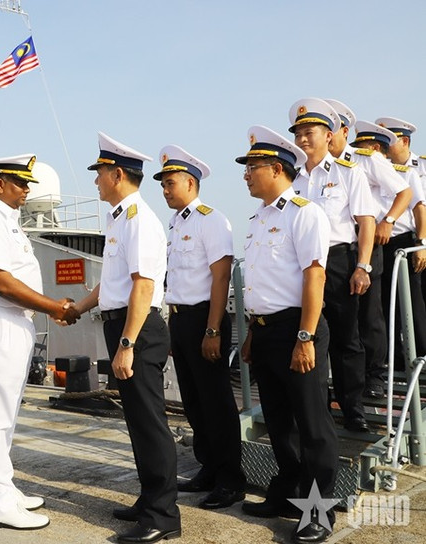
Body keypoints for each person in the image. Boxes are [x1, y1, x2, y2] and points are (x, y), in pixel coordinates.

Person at [0, 153, 79, 531]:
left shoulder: (6, 220)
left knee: (6, 416)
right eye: (20, 182)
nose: (27, 189)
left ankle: (4, 488)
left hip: (12, 322)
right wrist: (53, 307)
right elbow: (1, 282)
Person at [71, 133, 180, 543]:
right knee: (137, 421)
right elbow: (112, 283)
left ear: (117, 174)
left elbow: (143, 287)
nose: (95, 181)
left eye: (99, 173)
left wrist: (128, 344)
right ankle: (149, 498)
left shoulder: (140, 221)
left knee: (151, 423)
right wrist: (79, 308)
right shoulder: (118, 218)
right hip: (122, 325)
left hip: (139, 330)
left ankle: (163, 517)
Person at [236, 126, 338, 544]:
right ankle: (287, 492)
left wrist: (305, 336)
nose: (245, 175)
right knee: (279, 422)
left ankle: (317, 512)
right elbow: (261, 284)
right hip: (264, 332)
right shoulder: (259, 219)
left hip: (298, 329)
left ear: (276, 168)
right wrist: (250, 335)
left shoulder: (305, 212)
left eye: (252, 168)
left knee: (313, 425)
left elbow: (315, 276)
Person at [155, 145, 245, 509]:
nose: (164, 190)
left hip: (205, 317)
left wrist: (212, 330)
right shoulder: (177, 223)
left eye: (169, 183)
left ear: (190, 183)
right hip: (180, 318)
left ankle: (230, 479)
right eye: (162, 184)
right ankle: (209, 468)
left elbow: (220, 276)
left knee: (217, 402)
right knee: (193, 401)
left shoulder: (212, 220)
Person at [288, 98, 376, 433]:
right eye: (299, 134)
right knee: (307, 333)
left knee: (346, 337)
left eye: (309, 132)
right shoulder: (292, 179)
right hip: (301, 266)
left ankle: (352, 407)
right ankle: (316, 406)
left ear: (328, 135)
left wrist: (363, 267)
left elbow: (366, 222)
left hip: (338, 260)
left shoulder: (348, 173)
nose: (303, 140)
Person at [325, 100, 412, 400]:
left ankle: (374, 375)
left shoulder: (366, 159)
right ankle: (347, 380)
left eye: (330, 131)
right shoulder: (318, 170)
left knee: (369, 315)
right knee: (342, 320)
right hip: (336, 251)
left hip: (367, 244)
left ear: (344, 132)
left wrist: (388, 220)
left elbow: (405, 191)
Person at [352, 120, 426, 368]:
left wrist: (421, 242)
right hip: (373, 242)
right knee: (381, 306)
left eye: (364, 148)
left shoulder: (407, 173)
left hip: (402, 242)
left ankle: (423, 355)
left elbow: (418, 209)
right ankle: (392, 362)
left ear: (376, 149)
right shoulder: (359, 174)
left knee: (413, 304)